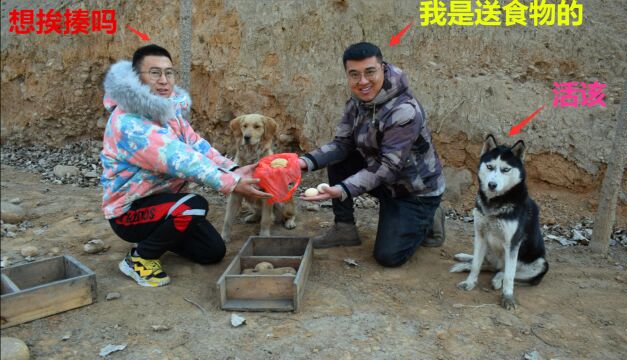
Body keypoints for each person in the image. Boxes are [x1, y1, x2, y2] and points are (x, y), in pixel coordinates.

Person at [100, 44, 271, 287]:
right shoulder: (129, 123)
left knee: (212, 252)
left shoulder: (169, 112)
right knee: (193, 205)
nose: (164, 80)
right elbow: (180, 159)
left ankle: (162, 236)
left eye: (169, 73)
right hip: (129, 212)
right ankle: (139, 259)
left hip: (164, 204)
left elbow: (197, 146)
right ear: (137, 79)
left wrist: (232, 169)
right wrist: (231, 182)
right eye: (155, 73)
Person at [299, 42, 446, 268]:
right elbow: (342, 143)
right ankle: (344, 228)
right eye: (354, 75)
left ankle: (429, 218)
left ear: (383, 68)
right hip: (383, 178)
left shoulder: (404, 111)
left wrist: (342, 190)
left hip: (413, 190)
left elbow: (388, 167)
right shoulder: (357, 101)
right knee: (341, 157)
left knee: (388, 257)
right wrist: (303, 163)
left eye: (370, 72)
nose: (363, 82)